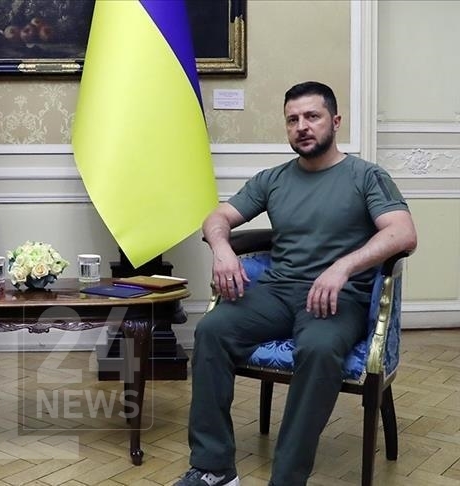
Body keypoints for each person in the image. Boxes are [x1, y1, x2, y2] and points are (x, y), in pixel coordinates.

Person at [174, 81, 417, 486]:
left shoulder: (366, 176)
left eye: (312, 116)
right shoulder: (273, 179)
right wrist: (221, 249)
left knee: (319, 349)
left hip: (337, 300)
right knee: (212, 330)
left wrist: (342, 267)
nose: (302, 126)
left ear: (335, 122)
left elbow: (403, 233)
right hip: (277, 292)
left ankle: (287, 478)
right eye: (293, 119)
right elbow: (218, 218)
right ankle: (213, 468)